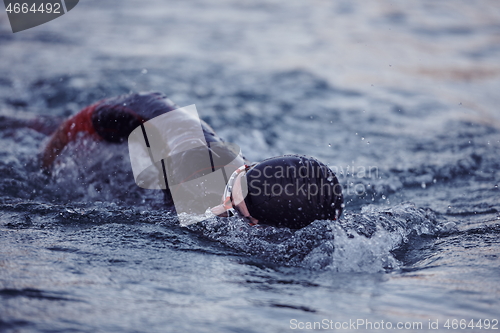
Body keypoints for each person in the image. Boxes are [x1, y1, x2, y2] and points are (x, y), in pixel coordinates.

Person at [41, 92, 343, 229]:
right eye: (228, 191)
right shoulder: (195, 152)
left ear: (255, 224)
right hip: (121, 147)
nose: (220, 205)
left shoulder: (302, 228)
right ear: (249, 168)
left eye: (234, 209)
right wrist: (49, 157)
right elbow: (139, 103)